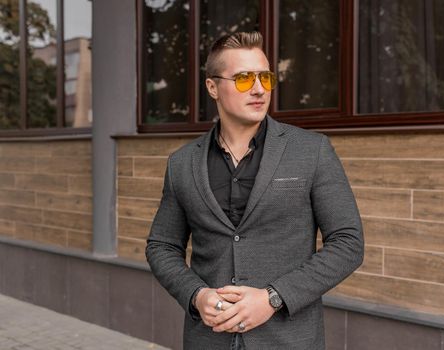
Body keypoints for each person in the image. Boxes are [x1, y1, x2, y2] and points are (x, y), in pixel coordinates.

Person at [146, 31, 364, 350]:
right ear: (212, 87)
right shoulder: (182, 163)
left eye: (266, 77)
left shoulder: (311, 150)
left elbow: (348, 242)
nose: (260, 88)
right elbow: (161, 245)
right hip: (209, 340)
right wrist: (196, 295)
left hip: (288, 340)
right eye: (245, 78)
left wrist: (272, 298)